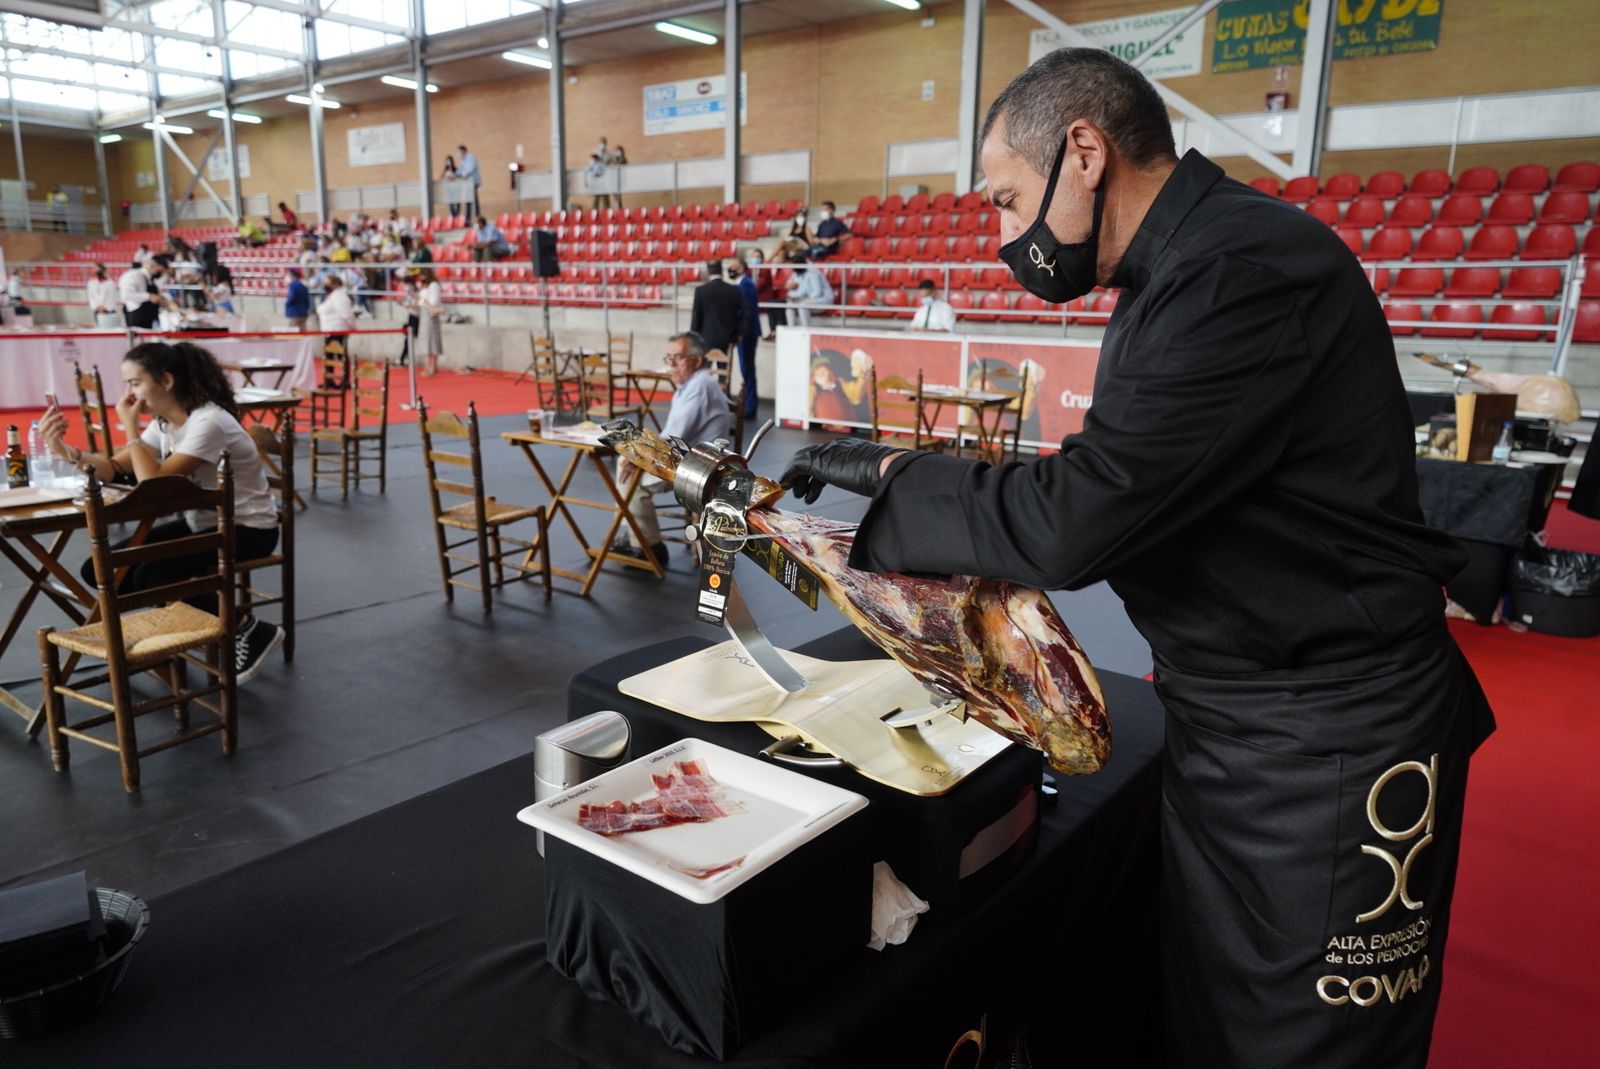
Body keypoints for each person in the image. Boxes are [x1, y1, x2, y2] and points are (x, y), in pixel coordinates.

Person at [778, 48, 1494, 1069]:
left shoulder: (1240, 271)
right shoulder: (1182, 268)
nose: (1001, 236)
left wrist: (880, 483)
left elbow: (1077, 517)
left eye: (1006, 200)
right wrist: (889, 470)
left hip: (1334, 740)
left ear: (1083, 152)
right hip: (1237, 713)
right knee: (1210, 1014)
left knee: (1308, 1042)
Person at [37, 341, 286, 683]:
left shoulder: (208, 422)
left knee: (151, 576)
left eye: (135, 383)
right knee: (102, 568)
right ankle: (189, 631)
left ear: (166, 381)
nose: (128, 393)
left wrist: (129, 429)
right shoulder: (165, 423)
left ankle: (247, 628)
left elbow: (152, 488)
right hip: (203, 523)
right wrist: (67, 451)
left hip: (250, 529)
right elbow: (112, 468)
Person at [609, 331, 732, 567]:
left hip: (701, 469)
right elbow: (670, 439)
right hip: (690, 458)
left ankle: (650, 547)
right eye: (668, 358)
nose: (671, 365)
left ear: (696, 361)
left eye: (679, 358)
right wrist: (634, 453)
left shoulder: (699, 386)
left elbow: (673, 437)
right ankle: (634, 536)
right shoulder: (691, 384)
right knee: (625, 464)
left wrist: (635, 455)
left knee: (632, 480)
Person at [688, 260, 750, 359]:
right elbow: (747, 313)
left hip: (706, 339)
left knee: (705, 371)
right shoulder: (734, 289)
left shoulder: (700, 291)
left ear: (708, 272)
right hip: (728, 338)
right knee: (724, 372)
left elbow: (696, 317)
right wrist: (740, 333)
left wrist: (693, 338)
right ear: (721, 271)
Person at [729, 256, 761, 418]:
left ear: (741, 267)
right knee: (745, 369)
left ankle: (750, 407)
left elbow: (746, 312)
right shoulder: (742, 284)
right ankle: (748, 405)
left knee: (747, 369)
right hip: (745, 333)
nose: (730, 269)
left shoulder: (746, 285)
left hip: (747, 334)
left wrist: (741, 333)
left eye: (733, 266)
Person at [316, 275, 356, 382]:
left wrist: (353, 327)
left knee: (340, 357)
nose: (325, 285)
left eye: (327, 283)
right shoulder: (331, 296)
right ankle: (329, 380)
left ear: (335, 284)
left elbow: (347, 314)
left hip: (338, 331)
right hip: (329, 331)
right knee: (328, 357)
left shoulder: (340, 297)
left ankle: (345, 380)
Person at [119, 254, 172, 329]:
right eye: (159, 271)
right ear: (152, 266)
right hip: (136, 317)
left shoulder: (150, 279)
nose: (161, 274)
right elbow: (126, 296)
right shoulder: (133, 276)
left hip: (148, 317)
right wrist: (149, 296)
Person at [785, 253, 833, 327]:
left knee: (802, 305)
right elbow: (798, 290)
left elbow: (817, 292)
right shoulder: (798, 273)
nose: (792, 269)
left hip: (823, 300)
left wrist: (805, 299)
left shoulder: (813, 272)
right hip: (808, 300)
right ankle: (791, 328)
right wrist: (793, 296)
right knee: (789, 304)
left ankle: (806, 329)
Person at [414, 269, 444, 377]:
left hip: (431, 315)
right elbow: (421, 302)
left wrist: (422, 299)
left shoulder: (434, 285)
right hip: (424, 314)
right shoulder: (425, 287)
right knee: (426, 340)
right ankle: (428, 366)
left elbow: (433, 302)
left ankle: (433, 367)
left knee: (433, 340)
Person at [752, 249, 783, 340]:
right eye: (754, 257)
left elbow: (759, 285)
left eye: (758, 257)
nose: (755, 259)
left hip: (764, 298)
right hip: (754, 296)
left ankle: (767, 333)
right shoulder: (750, 269)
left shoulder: (765, 270)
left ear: (762, 258)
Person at [456, 144, 481, 219]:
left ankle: (475, 214)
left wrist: (465, 175)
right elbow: (460, 170)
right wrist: (455, 174)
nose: (458, 154)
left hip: (472, 181)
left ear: (463, 151)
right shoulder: (463, 159)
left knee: (472, 199)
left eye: (459, 152)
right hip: (467, 183)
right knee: (470, 199)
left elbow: (471, 169)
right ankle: (473, 214)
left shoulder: (470, 157)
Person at [440, 155, 461, 219]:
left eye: (449, 161)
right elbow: (442, 177)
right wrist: (446, 177)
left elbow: (459, 176)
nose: (448, 162)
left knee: (457, 202)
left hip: (456, 188)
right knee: (450, 203)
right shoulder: (445, 170)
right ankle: (454, 215)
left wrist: (453, 176)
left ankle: (457, 214)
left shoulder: (455, 169)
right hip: (448, 189)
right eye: (447, 161)